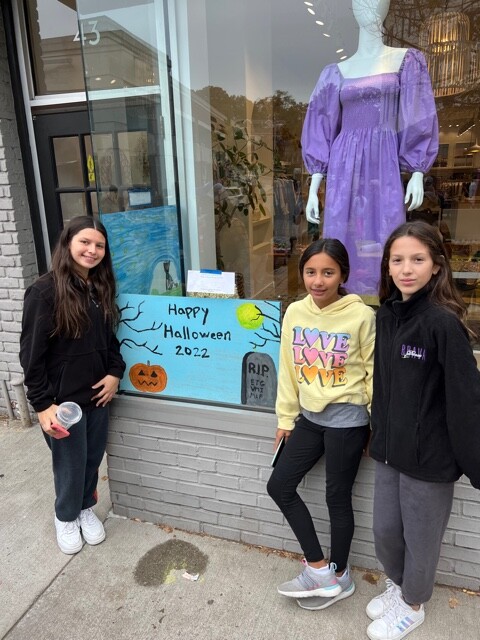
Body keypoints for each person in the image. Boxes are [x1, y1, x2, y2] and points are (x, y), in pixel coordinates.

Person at [367, 221, 480, 640]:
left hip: (430, 459)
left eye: (418, 259)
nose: (406, 269)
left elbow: (466, 400)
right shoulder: (386, 317)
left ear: (436, 267)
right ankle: (400, 587)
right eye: (398, 260)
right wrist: (376, 436)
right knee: (385, 533)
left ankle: (413, 604)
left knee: (420, 539)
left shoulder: (442, 324)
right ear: (387, 267)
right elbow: (381, 385)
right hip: (389, 451)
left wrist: (474, 462)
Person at [301, 0, 438, 295]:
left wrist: (416, 170)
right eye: (361, 0)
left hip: (383, 161)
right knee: (342, 232)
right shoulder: (335, 72)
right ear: (351, 8)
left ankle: (385, 303)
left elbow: (417, 116)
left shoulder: (406, 60)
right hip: (343, 164)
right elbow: (322, 126)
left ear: (389, 7)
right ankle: (346, 303)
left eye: (378, 0)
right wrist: (315, 183)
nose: (370, 5)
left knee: (387, 232)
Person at [266, 239, 375, 610]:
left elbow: (375, 374)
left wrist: (377, 427)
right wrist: (285, 418)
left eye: (328, 272)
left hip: (348, 420)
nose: (318, 280)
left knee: (336, 498)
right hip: (308, 419)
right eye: (311, 272)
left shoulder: (361, 316)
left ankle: (341, 574)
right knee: (279, 485)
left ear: (342, 274)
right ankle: (318, 568)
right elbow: (288, 369)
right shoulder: (295, 312)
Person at [20, 216, 126, 555]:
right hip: (62, 404)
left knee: (91, 459)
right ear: (68, 244)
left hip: (97, 396)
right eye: (85, 242)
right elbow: (32, 356)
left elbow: (110, 340)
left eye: (99, 245)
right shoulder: (44, 292)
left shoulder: (100, 288)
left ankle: (84, 508)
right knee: (69, 464)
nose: (92, 251)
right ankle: (65, 516)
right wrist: (41, 405)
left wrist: (115, 372)